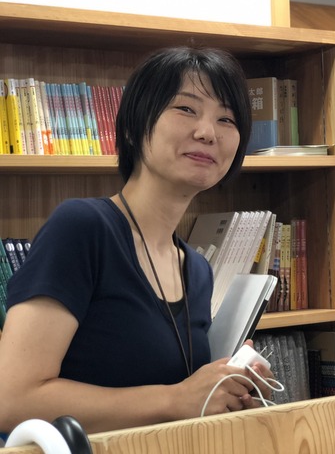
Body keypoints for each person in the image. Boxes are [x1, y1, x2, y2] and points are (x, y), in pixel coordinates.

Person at [0, 46, 273, 434]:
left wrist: (227, 388)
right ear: (132, 127)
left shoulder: (196, 269)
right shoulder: (83, 229)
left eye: (226, 119)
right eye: (186, 109)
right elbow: (12, 400)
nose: (207, 132)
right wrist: (175, 399)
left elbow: (183, 402)